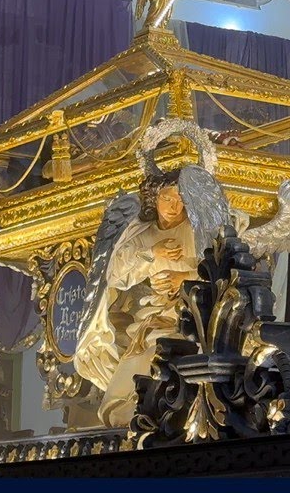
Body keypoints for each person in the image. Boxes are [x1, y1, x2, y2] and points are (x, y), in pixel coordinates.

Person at [90, 170, 199, 426]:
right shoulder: (144, 234)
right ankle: (129, 413)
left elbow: (221, 269)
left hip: (193, 311)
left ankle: (168, 410)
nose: (175, 206)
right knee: (137, 358)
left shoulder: (196, 230)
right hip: (157, 313)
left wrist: (183, 278)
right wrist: (152, 251)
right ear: (154, 199)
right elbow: (115, 272)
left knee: (160, 351)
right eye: (167, 198)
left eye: (181, 199)